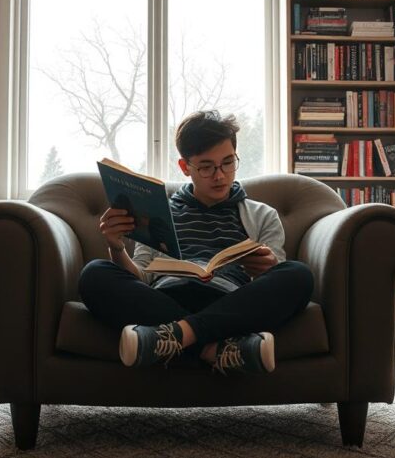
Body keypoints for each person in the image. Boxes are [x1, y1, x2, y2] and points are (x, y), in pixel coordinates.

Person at [78, 110, 314, 375]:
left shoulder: (262, 215)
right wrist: (116, 246)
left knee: (298, 275)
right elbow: (142, 276)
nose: (220, 175)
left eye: (228, 162)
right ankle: (213, 349)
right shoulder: (160, 212)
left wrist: (267, 268)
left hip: (230, 303)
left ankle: (172, 337)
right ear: (184, 167)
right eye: (206, 166)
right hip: (166, 301)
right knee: (94, 274)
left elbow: (271, 287)